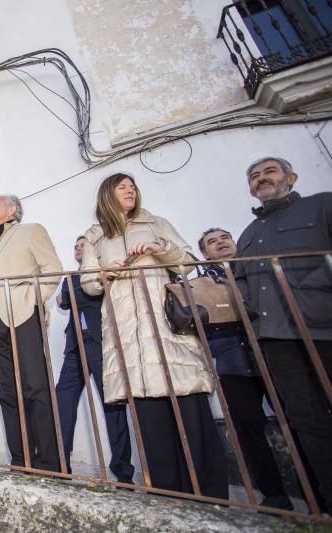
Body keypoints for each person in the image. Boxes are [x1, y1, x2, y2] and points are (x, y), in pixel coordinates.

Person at [80, 173, 228, 498]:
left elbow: (188, 262)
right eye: (123, 188)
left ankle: (212, 497)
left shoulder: (155, 222)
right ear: (108, 195)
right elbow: (88, 283)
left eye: (133, 187)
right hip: (126, 330)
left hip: (165, 325)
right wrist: (105, 272)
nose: (131, 191)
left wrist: (158, 248)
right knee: (149, 417)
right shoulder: (95, 237)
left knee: (190, 408)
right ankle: (167, 496)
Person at [234, 156, 332, 511]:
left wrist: (307, 292)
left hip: (324, 325)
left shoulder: (322, 205)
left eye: (269, 172)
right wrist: (250, 308)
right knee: (306, 421)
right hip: (276, 339)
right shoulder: (248, 235)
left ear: (291, 176)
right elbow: (241, 282)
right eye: (254, 175)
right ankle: (326, 501)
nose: (261, 179)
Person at [198, 227, 292, 509]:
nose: (221, 244)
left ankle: (318, 492)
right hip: (232, 363)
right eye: (212, 242)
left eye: (225, 238)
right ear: (205, 253)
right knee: (248, 428)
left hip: (273, 357)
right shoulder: (202, 283)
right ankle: (274, 494)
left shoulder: (257, 270)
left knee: (298, 421)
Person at [0, 194, 62, 472]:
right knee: (8, 393)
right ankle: (20, 459)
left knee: (36, 387)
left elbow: (53, 270)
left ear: (13, 210)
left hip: (23, 314)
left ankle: (50, 463)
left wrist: (34, 299)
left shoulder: (31, 231)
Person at [55, 236, 134, 483]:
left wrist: (73, 295)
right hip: (75, 347)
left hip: (102, 344)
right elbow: (67, 299)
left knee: (113, 404)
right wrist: (73, 294)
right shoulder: (70, 277)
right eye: (75, 246)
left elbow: (76, 298)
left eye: (82, 245)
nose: (79, 249)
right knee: (62, 402)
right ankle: (60, 464)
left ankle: (123, 471)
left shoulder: (103, 271)